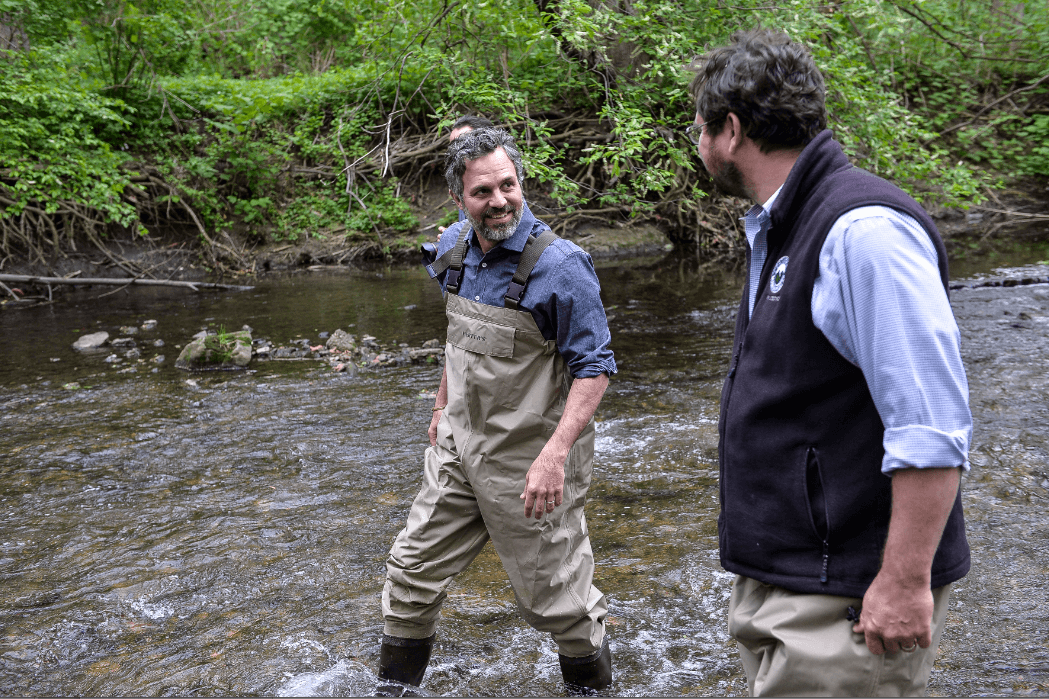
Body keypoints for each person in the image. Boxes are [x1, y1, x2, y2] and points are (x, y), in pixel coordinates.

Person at [689, 29, 972, 696]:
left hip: (845, 594)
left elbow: (930, 426)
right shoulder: (785, 225)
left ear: (730, 131)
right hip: (789, 580)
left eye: (698, 129)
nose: (696, 146)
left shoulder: (862, 232)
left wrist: (902, 582)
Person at [376, 127, 616, 696]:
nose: (500, 200)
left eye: (508, 185)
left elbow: (596, 366)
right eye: (483, 191)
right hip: (459, 448)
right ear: (459, 199)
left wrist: (555, 455)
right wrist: (439, 408)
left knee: (559, 604)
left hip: (531, 462)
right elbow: (458, 340)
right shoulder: (454, 248)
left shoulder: (561, 266)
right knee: (409, 575)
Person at [440, 115, 494, 230]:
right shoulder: (463, 185)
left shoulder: (505, 191)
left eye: (462, 145)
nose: (456, 155)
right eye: (453, 148)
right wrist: (454, 240)